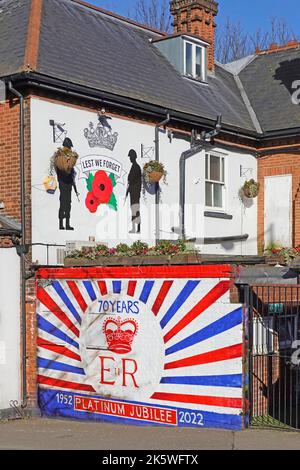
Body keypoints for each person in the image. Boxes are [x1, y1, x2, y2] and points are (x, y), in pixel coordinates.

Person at [54, 137, 79, 231]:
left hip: (63, 182)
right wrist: (74, 158)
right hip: (66, 183)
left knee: (63, 203)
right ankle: (66, 224)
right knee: (67, 204)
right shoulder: (65, 157)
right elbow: (68, 168)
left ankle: (62, 224)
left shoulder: (58, 157)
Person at [126, 149, 142, 234]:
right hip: (133, 192)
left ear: (133, 157)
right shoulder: (134, 166)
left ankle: (138, 228)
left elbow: (132, 179)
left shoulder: (136, 167)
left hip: (135, 193)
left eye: (130, 157)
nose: (130, 158)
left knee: (135, 209)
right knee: (133, 209)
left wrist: (129, 182)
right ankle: (134, 228)